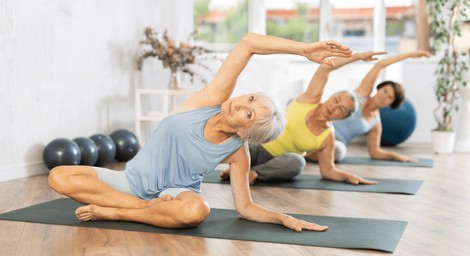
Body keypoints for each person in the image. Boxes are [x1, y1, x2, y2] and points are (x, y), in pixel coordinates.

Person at [47, 33, 353, 232]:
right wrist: (303, 49)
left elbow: (245, 207)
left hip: (174, 195)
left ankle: (117, 213)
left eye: (249, 114)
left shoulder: (237, 152)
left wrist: (282, 217)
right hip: (130, 182)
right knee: (58, 176)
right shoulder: (210, 100)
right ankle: (142, 209)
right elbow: (248, 44)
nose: (240, 106)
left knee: (198, 209)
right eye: (249, 100)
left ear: (247, 132)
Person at [221, 52, 384, 185]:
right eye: (336, 100)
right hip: (257, 142)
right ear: (331, 96)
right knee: (241, 132)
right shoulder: (310, 98)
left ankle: (250, 174)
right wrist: (356, 57)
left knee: (298, 162)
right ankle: (239, 168)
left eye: (341, 109)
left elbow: (327, 170)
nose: (334, 107)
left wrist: (347, 176)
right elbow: (324, 69)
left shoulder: (327, 137)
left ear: (342, 117)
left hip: (275, 163)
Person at [304, 50, 431, 163]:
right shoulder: (361, 94)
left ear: (391, 104)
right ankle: (306, 149)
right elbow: (380, 65)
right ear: (380, 88)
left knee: (339, 151)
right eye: (385, 91)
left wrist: (396, 156)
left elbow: (375, 152)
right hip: (322, 128)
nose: (384, 96)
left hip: (336, 143)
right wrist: (410, 54)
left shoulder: (375, 123)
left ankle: (306, 154)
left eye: (390, 97)